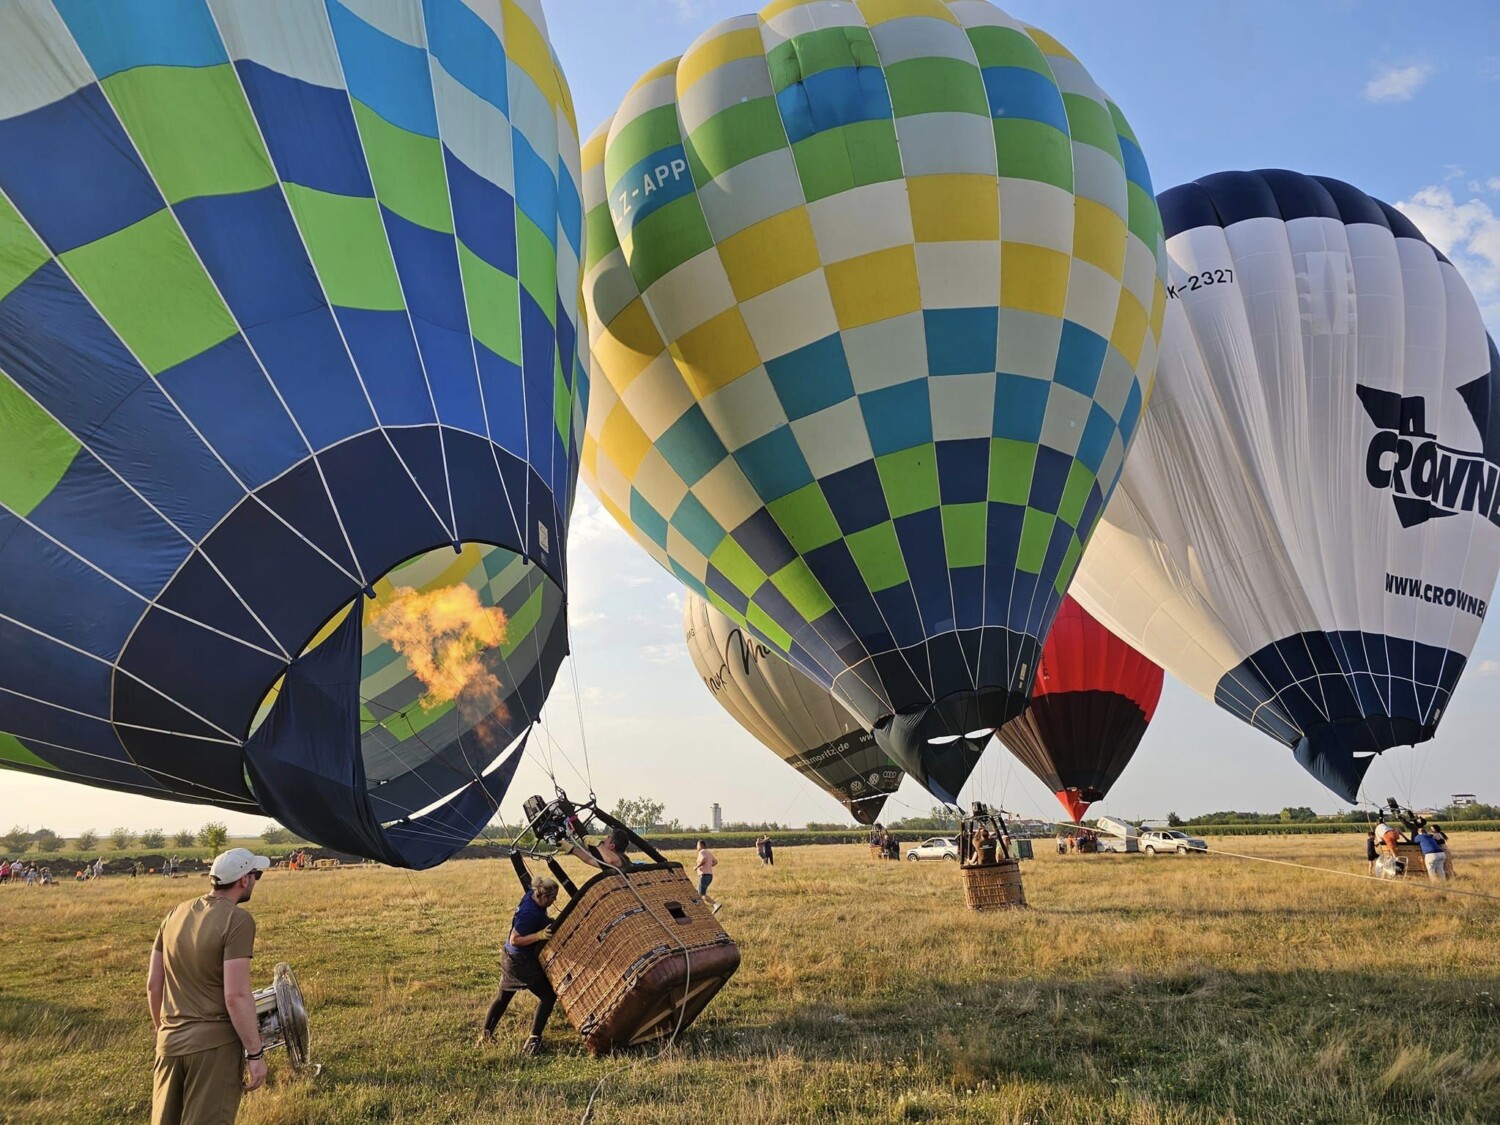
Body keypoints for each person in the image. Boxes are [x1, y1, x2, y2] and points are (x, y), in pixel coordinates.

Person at [148, 847, 271, 1125]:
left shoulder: (174, 914)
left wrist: (164, 1032)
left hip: (168, 1044)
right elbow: (236, 996)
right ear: (243, 880)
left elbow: (154, 985)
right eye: (256, 875)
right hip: (214, 1048)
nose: (255, 881)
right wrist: (255, 1054)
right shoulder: (237, 920)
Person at [478, 876, 560, 1055]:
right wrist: (538, 936)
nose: (555, 901)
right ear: (544, 897)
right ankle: (533, 1042)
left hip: (509, 957)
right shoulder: (530, 914)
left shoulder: (532, 894)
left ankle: (485, 1036)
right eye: (553, 898)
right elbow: (515, 939)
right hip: (520, 962)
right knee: (548, 996)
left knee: (503, 998)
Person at [695, 840, 723, 913]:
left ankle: (716, 904)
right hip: (710, 875)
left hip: (704, 875)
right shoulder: (708, 852)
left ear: (701, 845)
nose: (696, 847)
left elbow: (703, 859)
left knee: (702, 894)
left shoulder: (702, 852)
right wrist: (709, 866)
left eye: (697, 845)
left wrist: (697, 867)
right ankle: (698, 907)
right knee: (699, 892)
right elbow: (716, 862)